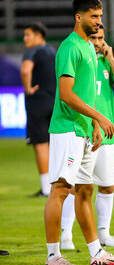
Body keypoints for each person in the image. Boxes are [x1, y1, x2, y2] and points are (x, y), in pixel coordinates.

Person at [43, 0, 114, 265]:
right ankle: (53, 255)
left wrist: (93, 125)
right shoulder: (70, 48)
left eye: (100, 17)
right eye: (93, 16)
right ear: (78, 17)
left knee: (84, 190)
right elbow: (67, 95)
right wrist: (99, 117)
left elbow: (86, 92)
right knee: (60, 188)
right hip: (67, 128)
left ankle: (97, 252)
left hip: (83, 131)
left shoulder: (89, 50)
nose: (98, 21)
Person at [60, 25, 114, 250]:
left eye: (101, 38)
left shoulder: (104, 63)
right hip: (82, 131)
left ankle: (104, 234)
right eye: (94, 38)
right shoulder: (81, 60)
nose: (98, 42)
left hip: (107, 136)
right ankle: (66, 235)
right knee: (74, 186)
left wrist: (111, 60)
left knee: (107, 185)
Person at [21, 22, 56, 197]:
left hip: (38, 104)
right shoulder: (52, 51)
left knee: (41, 145)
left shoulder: (32, 51)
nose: (24, 38)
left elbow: (26, 70)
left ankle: (46, 188)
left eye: (28, 34)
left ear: (38, 35)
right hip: (55, 103)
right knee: (54, 146)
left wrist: (28, 89)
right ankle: (58, 185)